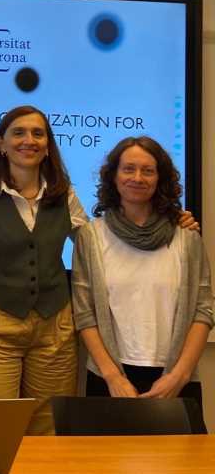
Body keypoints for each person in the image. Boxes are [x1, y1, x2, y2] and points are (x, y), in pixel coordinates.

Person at [0, 105, 86, 435]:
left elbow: (97, 245)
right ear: (1, 144)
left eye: (38, 134)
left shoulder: (64, 194)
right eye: (19, 133)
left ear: (48, 145)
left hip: (55, 327)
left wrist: (169, 219)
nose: (29, 140)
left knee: (48, 429)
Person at [72, 136, 213, 414]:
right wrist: (113, 377)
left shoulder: (186, 235)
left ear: (160, 179)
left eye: (148, 170)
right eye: (128, 169)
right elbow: (84, 313)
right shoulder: (91, 235)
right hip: (110, 378)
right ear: (113, 176)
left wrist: (180, 375)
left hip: (175, 379)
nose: (137, 178)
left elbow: (203, 309)